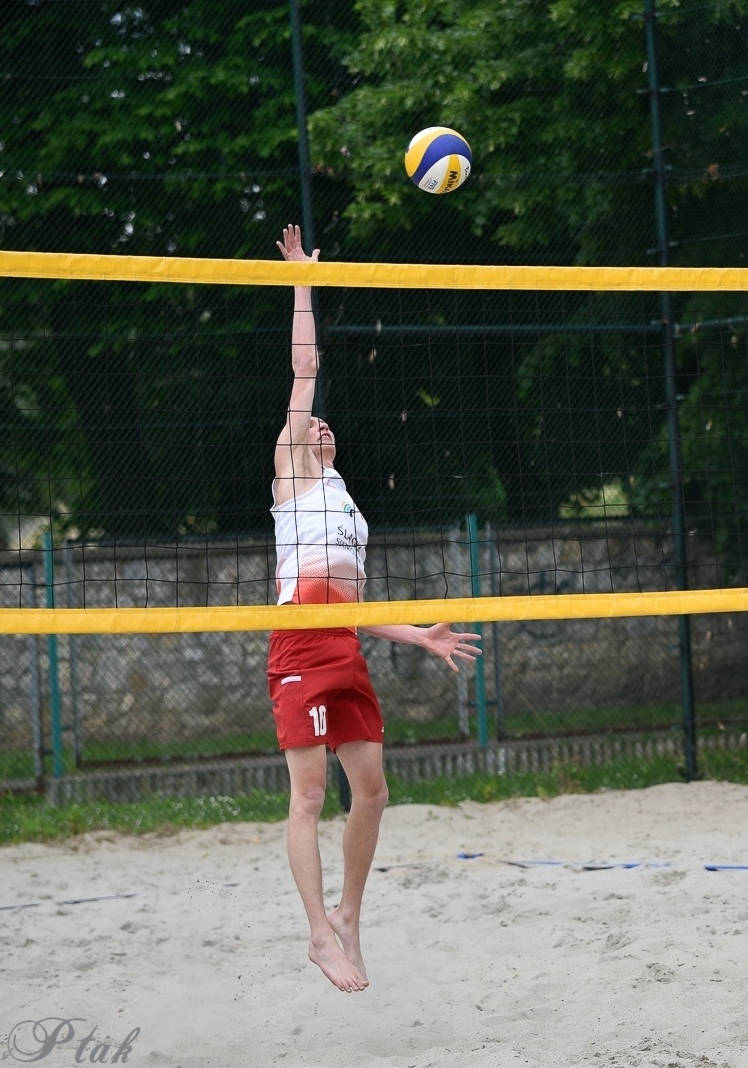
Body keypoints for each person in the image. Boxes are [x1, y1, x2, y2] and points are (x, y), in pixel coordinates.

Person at [268, 224, 481, 993]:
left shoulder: (349, 507)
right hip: (297, 648)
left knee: (376, 791)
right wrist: (302, 280)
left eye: (326, 425)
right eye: (310, 422)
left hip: (344, 649)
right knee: (308, 796)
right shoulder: (293, 474)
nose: (319, 424)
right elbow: (305, 368)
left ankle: (349, 915)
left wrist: (416, 635)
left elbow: (351, 608)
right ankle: (318, 933)